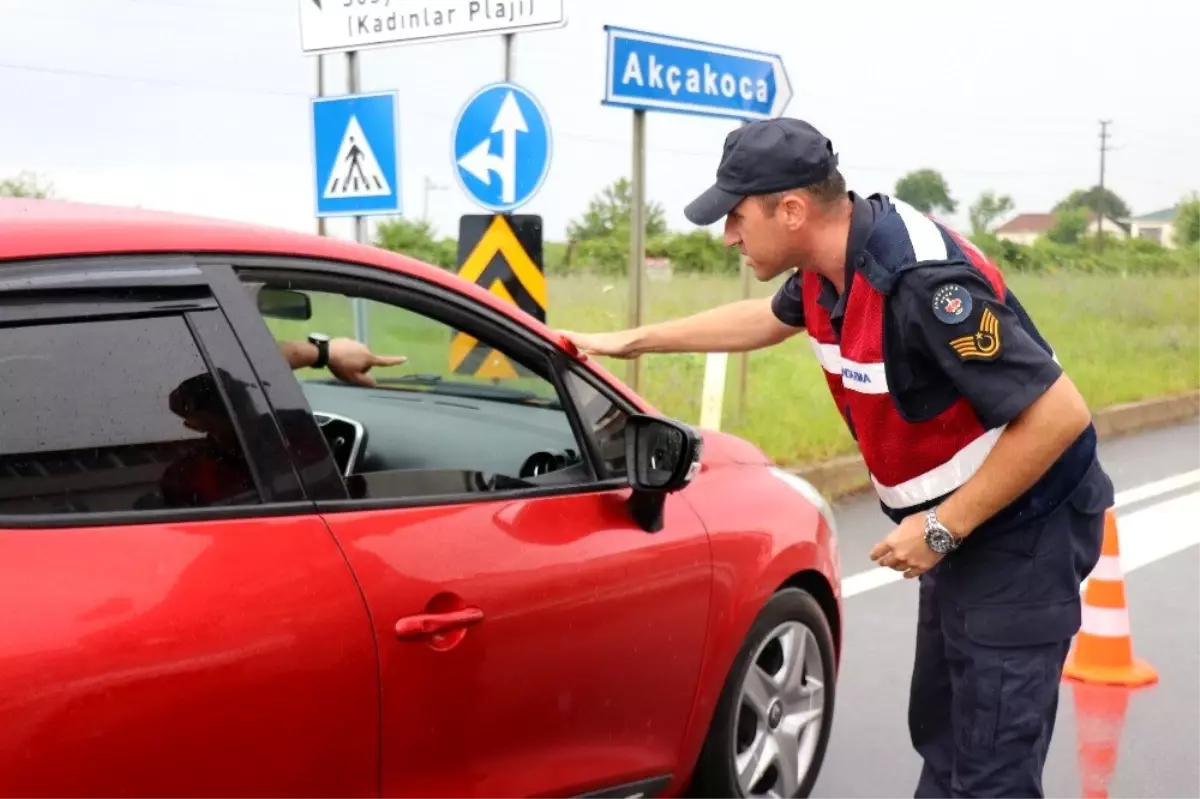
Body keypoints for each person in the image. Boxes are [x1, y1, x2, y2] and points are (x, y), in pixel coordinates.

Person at [557, 118, 1113, 798]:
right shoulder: (827, 263)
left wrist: (940, 530)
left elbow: (1059, 414)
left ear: (791, 209)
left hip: (1025, 527)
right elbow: (766, 318)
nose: (729, 235)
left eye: (735, 216)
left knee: (992, 763)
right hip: (963, 522)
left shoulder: (922, 282)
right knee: (943, 735)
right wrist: (626, 341)